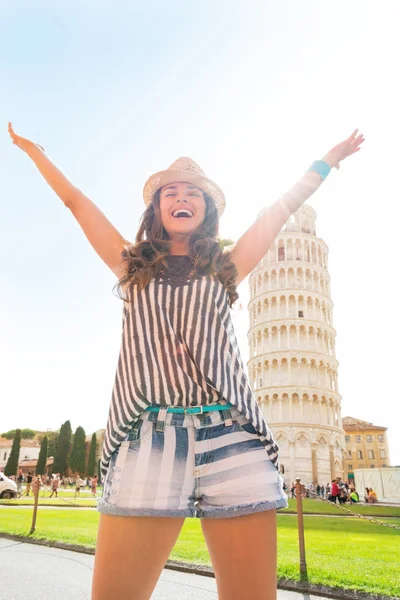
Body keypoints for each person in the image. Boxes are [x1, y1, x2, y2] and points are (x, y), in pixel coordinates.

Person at [8, 121, 364, 600]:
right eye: (170, 191)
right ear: (157, 208)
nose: (182, 196)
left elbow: (279, 213)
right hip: (148, 433)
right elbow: (76, 202)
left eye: (193, 192)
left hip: (232, 432)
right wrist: (35, 154)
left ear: (206, 208)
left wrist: (328, 160)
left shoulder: (226, 266)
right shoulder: (130, 265)